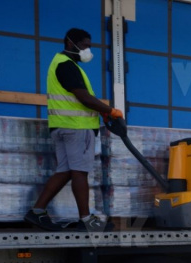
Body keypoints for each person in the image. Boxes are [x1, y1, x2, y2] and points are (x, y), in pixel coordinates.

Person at [24, 28, 122, 232]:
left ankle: (37, 211)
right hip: (77, 129)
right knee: (80, 172)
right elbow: (83, 98)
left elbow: (77, 100)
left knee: (66, 171)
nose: (88, 50)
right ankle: (87, 220)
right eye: (85, 45)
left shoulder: (59, 64)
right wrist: (110, 111)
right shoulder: (67, 66)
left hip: (62, 126)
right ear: (71, 43)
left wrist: (101, 113)